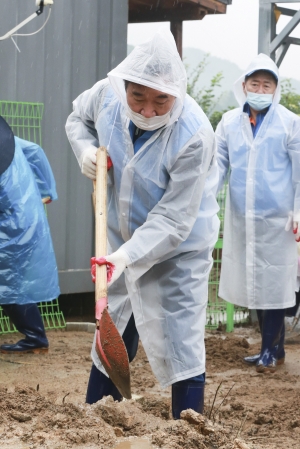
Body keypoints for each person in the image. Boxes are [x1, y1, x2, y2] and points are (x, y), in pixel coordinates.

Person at [66, 29, 220, 418]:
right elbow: (76, 119)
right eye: (138, 97)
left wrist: (128, 256)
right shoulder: (105, 96)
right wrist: (85, 149)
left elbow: (173, 218)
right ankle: (97, 419)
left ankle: (189, 430)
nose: (148, 110)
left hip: (178, 253)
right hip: (118, 238)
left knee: (180, 339)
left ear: (177, 95)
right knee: (112, 324)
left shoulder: (195, 134)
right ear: (125, 86)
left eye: (161, 100)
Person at [215, 53, 300, 373]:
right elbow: (217, 168)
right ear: (244, 85)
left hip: (279, 221)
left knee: (275, 285)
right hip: (243, 220)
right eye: (255, 83)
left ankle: (268, 349)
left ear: (275, 89)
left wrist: (298, 211)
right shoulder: (228, 123)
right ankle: (274, 349)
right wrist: (205, 202)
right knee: (255, 283)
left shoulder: (290, 123)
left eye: (267, 84)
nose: (260, 89)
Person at [0, 116, 60, 354]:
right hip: (27, 214)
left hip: (12, 224)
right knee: (10, 279)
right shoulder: (7, 142)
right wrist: (48, 189)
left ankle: (36, 338)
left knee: (11, 281)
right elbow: (35, 150)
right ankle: (35, 336)